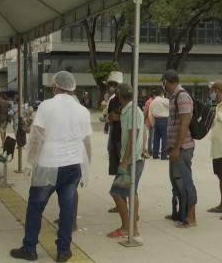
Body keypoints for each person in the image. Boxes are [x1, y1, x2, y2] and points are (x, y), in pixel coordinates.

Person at [10, 71, 92, 262]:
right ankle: (63, 251)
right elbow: (87, 142)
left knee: (35, 207)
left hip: (48, 164)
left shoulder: (47, 106)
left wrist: (30, 163)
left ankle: (29, 248)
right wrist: (87, 168)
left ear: (55, 86)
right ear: (72, 88)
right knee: (67, 208)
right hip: (73, 165)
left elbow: (37, 137)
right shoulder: (83, 110)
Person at [108, 83, 145, 238]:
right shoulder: (131, 109)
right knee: (132, 192)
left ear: (119, 96)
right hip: (135, 158)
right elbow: (142, 132)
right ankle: (133, 227)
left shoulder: (132, 111)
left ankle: (126, 227)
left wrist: (124, 161)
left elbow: (132, 136)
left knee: (116, 192)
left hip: (131, 160)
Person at [163, 69, 197, 228]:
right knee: (176, 181)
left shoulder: (182, 96)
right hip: (175, 148)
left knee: (185, 181)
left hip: (182, 148)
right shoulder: (173, 96)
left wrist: (177, 148)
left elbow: (184, 124)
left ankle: (191, 217)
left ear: (167, 81)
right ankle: (179, 213)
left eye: (163, 83)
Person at [106, 71, 123, 213]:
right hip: (114, 137)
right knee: (117, 170)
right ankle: (120, 203)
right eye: (111, 85)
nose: (112, 87)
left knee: (124, 172)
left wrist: (117, 117)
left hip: (123, 140)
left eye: (115, 85)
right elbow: (111, 117)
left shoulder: (128, 99)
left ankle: (122, 203)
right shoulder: (112, 100)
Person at [207, 81, 222, 215]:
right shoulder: (218, 106)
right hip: (218, 149)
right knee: (220, 176)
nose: (214, 94)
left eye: (216, 91)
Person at [149, 89, 169, 160]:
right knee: (165, 138)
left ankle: (155, 154)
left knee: (156, 139)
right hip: (164, 120)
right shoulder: (164, 100)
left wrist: (152, 123)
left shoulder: (152, 102)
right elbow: (171, 105)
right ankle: (164, 155)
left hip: (156, 120)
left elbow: (150, 114)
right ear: (161, 94)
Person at [144, 90, 157, 156]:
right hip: (151, 120)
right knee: (151, 136)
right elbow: (146, 111)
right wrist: (144, 119)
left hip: (151, 120)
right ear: (154, 95)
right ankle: (150, 149)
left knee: (152, 136)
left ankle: (151, 149)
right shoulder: (150, 102)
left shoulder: (149, 101)